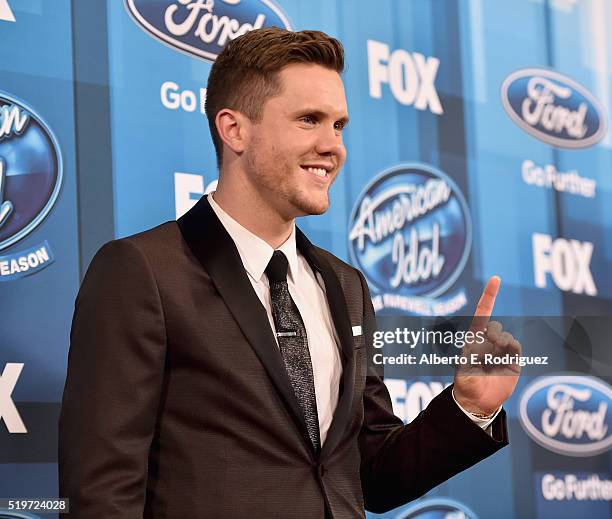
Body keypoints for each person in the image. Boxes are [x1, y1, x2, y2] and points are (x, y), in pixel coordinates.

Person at [59, 28, 521, 518]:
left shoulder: (346, 286)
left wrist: (469, 407)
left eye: (339, 125)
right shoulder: (142, 271)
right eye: (309, 120)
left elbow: (369, 476)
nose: (332, 145)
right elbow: (100, 493)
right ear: (234, 129)